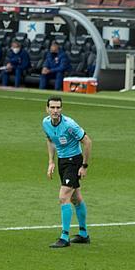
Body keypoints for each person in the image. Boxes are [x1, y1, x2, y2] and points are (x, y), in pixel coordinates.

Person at [42, 97, 91, 248]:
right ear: (47, 109)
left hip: (74, 161)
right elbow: (50, 140)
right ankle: (83, 234)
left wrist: (84, 166)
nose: (55, 111)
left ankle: (64, 237)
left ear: (61, 109)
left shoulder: (69, 125)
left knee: (64, 197)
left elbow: (87, 141)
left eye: (58, 108)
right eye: (52, 108)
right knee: (76, 198)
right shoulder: (45, 123)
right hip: (62, 162)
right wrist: (51, 161)